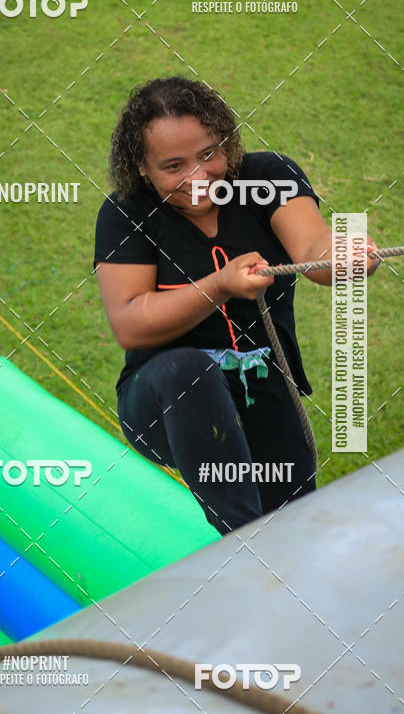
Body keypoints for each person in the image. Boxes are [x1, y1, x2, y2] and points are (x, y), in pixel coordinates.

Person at [93, 77, 379, 536]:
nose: (197, 177)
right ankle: (242, 547)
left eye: (209, 154)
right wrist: (218, 287)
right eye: (173, 166)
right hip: (162, 401)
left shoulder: (267, 176)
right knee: (186, 369)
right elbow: (130, 323)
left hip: (261, 387)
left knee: (296, 523)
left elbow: (312, 249)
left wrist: (341, 254)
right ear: (142, 168)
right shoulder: (126, 212)